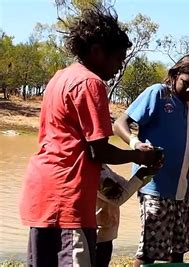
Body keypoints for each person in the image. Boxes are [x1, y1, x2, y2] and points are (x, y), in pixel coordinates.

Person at [19, 6, 159, 267]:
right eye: (118, 59)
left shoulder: (61, 76)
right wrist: (141, 155)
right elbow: (99, 150)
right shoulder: (90, 82)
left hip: (42, 192)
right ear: (97, 51)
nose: (119, 68)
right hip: (67, 196)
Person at [113, 53, 189, 267]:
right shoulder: (158, 94)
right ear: (176, 74)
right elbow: (120, 123)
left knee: (177, 250)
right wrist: (135, 143)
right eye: (186, 84)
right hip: (153, 186)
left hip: (183, 192)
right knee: (149, 250)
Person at [96, 163, 161, 267]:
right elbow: (118, 198)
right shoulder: (96, 174)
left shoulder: (103, 167)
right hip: (98, 235)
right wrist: (141, 174)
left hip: (105, 233)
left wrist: (147, 174)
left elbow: (125, 186)